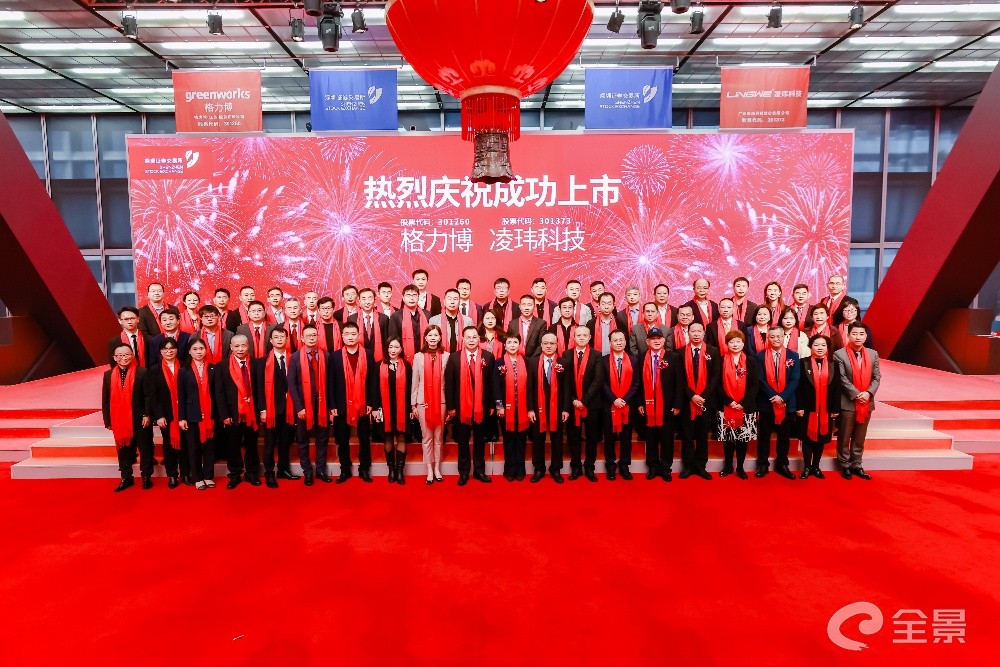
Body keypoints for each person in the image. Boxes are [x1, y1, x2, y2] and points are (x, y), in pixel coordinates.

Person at [445, 326, 496, 485]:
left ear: (479, 339)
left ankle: (479, 471)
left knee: (480, 440)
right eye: (468, 337)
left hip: (482, 406)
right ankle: (464, 472)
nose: (471, 340)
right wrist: (451, 407)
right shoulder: (454, 358)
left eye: (474, 337)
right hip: (461, 407)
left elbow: (492, 383)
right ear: (463, 339)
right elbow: (449, 384)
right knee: (463, 440)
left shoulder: (488, 357)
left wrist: (492, 404)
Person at [329, 321, 377, 483]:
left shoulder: (368, 354)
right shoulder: (335, 356)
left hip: (363, 403)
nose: (350, 337)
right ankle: (345, 470)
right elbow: (331, 382)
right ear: (342, 336)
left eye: (353, 334)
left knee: (364, 438)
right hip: (342, 404)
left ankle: (364, 469)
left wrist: (371, 402)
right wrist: (332, 405)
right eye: (347, 334)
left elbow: (372, 381)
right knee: (342, 439)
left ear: (358, 336)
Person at [832, 323, 880, 480]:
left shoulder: (873, 354)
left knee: (860, 437)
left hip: (866, 402)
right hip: (848, 401)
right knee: (844, 436)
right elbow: (841, 378)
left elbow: (876, 377)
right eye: (854, 334)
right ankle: (844, 464)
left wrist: (868, 393)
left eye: (861, 334)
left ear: (865, 336)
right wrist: (857, 394)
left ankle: (857, 464)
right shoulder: (839, 354)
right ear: (848, 335)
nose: (858, 337)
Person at [102, 345, 154, 492]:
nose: (123, 358)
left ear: (132, 356)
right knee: (123, 449)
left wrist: (147, 414)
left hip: (140, 418)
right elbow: (105, 400)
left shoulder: (142, 372)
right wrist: (108, 420)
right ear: (114, 358)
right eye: (120, 355)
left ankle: (146, 476)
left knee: (145, 447)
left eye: (126, 354)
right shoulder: (108, 375)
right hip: (119, 419)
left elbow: (148, 396)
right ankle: (126, 477)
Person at [214, 334, 262, 489]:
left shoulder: (256, 364)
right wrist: (224, 414)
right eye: (237, 346)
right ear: (231, 347)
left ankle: (252, 473)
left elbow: (260, 389)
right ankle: (234, 475)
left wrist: (262, 410)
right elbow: (219, 393)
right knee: (233, 446)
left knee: (251, 444)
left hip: (252, 412)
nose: (240, 349)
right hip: (232, 413)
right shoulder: (222, 366)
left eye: (243, 345)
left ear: (248, 346)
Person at [254, 327, 298, 488]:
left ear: (286, 339)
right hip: (271, 409)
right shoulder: (262, 361)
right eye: (276, 337)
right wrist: (262, 409)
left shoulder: (294, 359)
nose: (279, 339)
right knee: (270, 443)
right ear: (271, 341)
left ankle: (283, 470)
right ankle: (269, 473)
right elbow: (259, 388)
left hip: (289, 408)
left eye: (282, 337)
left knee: (285, 442)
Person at [755, 325, 801, 480]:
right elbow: (760, 379)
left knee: (784, 436)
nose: (776, 339)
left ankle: (782, 464)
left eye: (779, 336)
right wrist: (773, 395)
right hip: (766, 402)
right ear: (768, 338)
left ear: (784, 337)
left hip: (787, 402)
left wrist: (782, 396)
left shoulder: (793, 356)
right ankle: (763, 464)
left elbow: (795, 379)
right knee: (764, 435)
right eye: (772, 336)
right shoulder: (759, 356)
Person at [287, 324, 331, 485]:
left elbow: (330, 382)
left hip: (322, 404)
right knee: (302, 439)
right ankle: (307, 471)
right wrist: (299, 407)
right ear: (302, 338)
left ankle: (320, 470)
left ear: (318, 337)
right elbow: (291, 384)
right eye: (308, 336)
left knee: (322, 439)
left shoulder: (326, 355)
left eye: (314, 335)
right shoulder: (295, 357)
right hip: (303, 406)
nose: (311, 338)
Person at [637, 327, 681, 481]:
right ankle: (653, 466)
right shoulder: (641, 358)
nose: (656, 341)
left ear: (663, 340)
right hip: (648, 404)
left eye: (659, 338)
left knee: (667, 438)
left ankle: (665, 468)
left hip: (667, 405)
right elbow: (638, 383)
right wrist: (640, 403)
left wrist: (677, 404)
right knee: (651, 437)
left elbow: (679, 383)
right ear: (647, 341)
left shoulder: (673, 357)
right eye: (653, 339)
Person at [676, 322, 719, 480]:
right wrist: (692, 396)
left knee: (702, 435)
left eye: (699, 331)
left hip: (706, 401)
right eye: (692, 331)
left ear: (703, 333)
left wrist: (703, 396)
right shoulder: (680, 352)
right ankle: (688, 466)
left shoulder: (713, 351)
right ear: (688, 333)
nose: (696, 334)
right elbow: (679, 379)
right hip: (687, 401)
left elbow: (715, 376)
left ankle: (701, 466)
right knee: (687, 435)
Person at [561, 326, 604, 482]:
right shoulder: (566, 355)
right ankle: (576, 467)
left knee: (592, 438)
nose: (581, 337)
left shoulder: (596, 354)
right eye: (578, 335)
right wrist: (573, 399)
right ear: (574, 337)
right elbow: (565, 381)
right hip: (572, 403)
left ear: (590, 337)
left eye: (585, 335)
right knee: (574, 438)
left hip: (591, 404)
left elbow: (598, 379)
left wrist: (584, 401)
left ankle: (590, 467)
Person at [796, 334, 840, 479]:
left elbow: (837, 388)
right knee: (807, 438)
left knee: (821, 439)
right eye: (816, 345)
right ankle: (807, 467)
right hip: (807, 408)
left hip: (826, 409)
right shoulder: (803, 363)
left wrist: (835, 408)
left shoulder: (834, 364)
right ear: (810, 347)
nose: (820, 348)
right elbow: (798, 387)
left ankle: (816, 466)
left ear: (827, 347)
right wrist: (799, 406)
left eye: (823, 345)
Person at [147, 338, 189, 488]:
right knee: (168, 445)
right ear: (160, 351)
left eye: (172, 348)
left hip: (184, 413)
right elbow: (153, 396)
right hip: (166, 415)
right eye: (165, 349)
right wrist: (158, 415)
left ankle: (185, 473)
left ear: (177, 349)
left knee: (186, 444)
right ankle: (172, 475)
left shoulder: (185, 366)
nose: (169, 351)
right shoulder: (154, 370)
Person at [716, 331, 759, 480]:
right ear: (727, 344)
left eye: (738, 341)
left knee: (742, 439)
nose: (735, 345)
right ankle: (728, 466)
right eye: (732, 342)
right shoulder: (721, 360)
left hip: (746, 407)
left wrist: (743, 403)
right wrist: (729, 401)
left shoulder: (751, 361)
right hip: (726, 406)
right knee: (728, 439)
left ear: (743, 343)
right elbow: (717, 384)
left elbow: (755, 385)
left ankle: (740, 467)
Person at [526, 332, 568, 483]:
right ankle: (539, 469)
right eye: (546, 343)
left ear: (557, 345)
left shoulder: (563, 362)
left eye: (552, 343)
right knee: (538, 439)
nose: (549, 346)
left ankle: (556, 469)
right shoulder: (533, 362)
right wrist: (530, 409)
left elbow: (567, 388)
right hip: (538, 407)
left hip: (558, 408)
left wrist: (566, 409)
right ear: (541, 345)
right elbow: (529, 388)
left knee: (557, 439)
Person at [601, 330, 640, 480]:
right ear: (610, 343)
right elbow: (602, 383)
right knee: (609, 437)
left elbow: (636, 383)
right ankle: (610, 466)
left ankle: (624, 465)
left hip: (627, 405)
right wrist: (614, 399)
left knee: (626, 437)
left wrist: (624, 399)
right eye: (615, 340)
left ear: (625, 341)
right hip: (609, 405)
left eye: (621, 340)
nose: (618, 342)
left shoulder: (633, 360)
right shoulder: (603, 360)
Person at [178, 339, 217, 490]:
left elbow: (217, 393)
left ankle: (208, 476)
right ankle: (198, 477)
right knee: (193, 448)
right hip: (191, 413)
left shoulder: (213, 368)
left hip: (210, 413)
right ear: (189, 351)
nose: (199, 351)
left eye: (201, 348)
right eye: (195, 349)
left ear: (206, 350)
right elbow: (181, 396)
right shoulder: (184, 371)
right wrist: (182, 417)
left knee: (210, 447)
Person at [412, 326, 449, 484]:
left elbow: (448, 381)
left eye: (436, 335)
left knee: (438, 437)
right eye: (430, 335)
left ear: (440, 337)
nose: (433, 338)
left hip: (440, 400)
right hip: (423, 401)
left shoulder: (446, 356)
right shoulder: (418, 357)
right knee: (427, 437)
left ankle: (437, 468)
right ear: (425, 338)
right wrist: (413, 404)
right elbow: (415, 381)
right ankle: (429, 469)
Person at [373, 337, 412, 485]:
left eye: (396, 347)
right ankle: (391, 469)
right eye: (390, 347)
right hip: (385, 408)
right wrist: (375, 408)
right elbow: (374, 388)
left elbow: (411, 389)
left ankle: (400, 470)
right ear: (386, 348)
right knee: (388, 438)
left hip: (403, 408)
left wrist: (411, 408)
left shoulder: (406, 366)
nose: (393, 350)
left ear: (401, 349)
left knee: (401, 437)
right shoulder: (379, 365)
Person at [493, 334, 530, 481]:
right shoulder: (499, 362)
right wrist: (499, 406)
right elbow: (496, 386)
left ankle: (520, 469)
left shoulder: (526, 361)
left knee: (521, 439)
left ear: (520, 344)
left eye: (515, 342)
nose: (513, 345)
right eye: (509, 342)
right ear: (505, 345)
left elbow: (531, 386)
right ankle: (509, 469)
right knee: (508, 440)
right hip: (506, 408)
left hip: (523, 408)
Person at [389, 284, 430, 365]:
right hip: (403, 358)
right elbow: (393, 340)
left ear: (418, 297)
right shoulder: (396, 316)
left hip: (424, 356)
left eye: (414, 295)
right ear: (403, 298)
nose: (412, 298)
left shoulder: (427, 315)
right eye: (408, 295)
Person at [429, 288, 473, 353]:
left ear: (459, 302)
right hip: (441, 356)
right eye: (449, 299)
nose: (452, 302)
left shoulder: (468, 321)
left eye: (455, 299)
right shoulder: (434, 320)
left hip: (461, 356)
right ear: (444, 301)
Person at [507, 294, 547, 358]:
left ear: (534, 306)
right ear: (520, 306)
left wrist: (531, 360)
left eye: (529, 305)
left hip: (534, 359)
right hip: (515, 358)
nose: (526, 308)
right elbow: (509, 342)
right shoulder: (512, 324)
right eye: (524, 305)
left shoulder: (541, 323)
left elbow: (541, 344)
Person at [588, 291, 625, 355]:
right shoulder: (591, 324)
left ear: (613, 306)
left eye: (609, 304)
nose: (606, 307)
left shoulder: (620, 323)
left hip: (615, 358)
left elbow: (624, 344)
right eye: (603, 304)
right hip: (596, 358)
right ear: (598, 306)